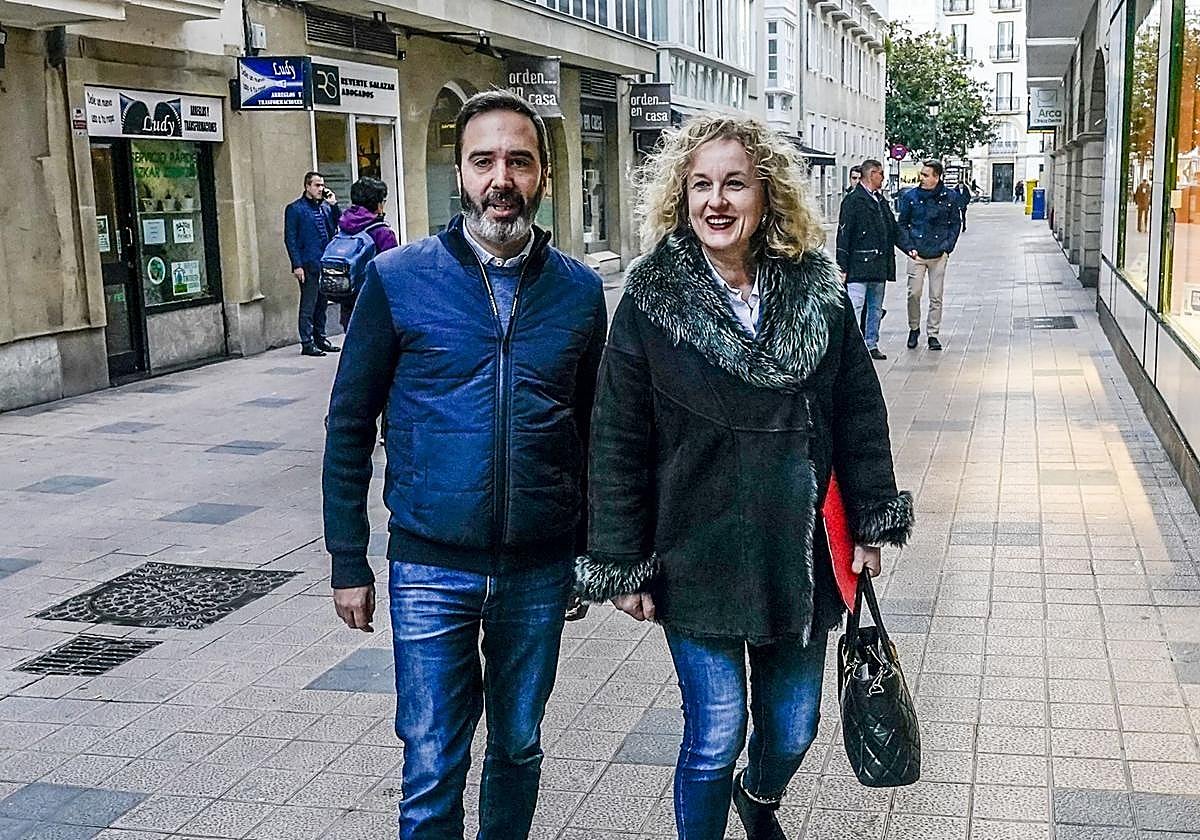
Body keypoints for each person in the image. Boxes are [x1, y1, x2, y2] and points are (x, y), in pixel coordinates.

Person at [576, 115, 914, 840]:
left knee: (792, 729)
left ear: (768, 195)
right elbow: (616, 438)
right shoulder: (650, 299)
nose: (716, 201)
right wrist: (619, 560)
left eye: (735, 183)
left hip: (799, 549)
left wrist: (871, 519)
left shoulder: (816, 290)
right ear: (681, 195)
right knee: (714, 733)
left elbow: (858, 409)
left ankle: (757, 801)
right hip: (694, 549)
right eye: (701, 185)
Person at [322, 90, 607, 840]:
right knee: (431, 761)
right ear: (461, 172)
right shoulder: (398, 278)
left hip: (537, 571)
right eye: (484, 161)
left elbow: (593, 432)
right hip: (429, 566)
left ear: (543, 174)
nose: (500, 179)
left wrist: (588, 552)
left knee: (516, 747)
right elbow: (350, 425)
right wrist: (348, 559)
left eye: (518, 160)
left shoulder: (579, 291)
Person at [835, 158, 901, 360]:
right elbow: (844, 235)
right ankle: (853, 348)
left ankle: (871, 344)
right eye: (880, 173)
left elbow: (892, 229)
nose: (882, 178)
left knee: (874, 308)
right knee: (855, 306)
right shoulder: (854, 200)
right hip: (859, 266)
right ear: (872, 174)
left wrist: (910, 247)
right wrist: (842, 266)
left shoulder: (880, 201)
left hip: (879, 265)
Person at [897, 159, 961, 352]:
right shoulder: (911, 197)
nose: (922, 178)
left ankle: (933, 333)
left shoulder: (949, 197)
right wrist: (908, 247)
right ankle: (914, 327)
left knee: (936, 295)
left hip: (938, 254)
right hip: (917, 253)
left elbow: (955, 223)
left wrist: (947, 246)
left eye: (926, 174)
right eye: (922, 174)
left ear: (936, 177)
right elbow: (902, 224)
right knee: (913, 293)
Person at [284, 171, 341, 357]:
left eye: (322, 185)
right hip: (308, 264)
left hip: (324, 263)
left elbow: (337, 227)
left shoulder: (324, 208)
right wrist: (296, 264)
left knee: (322, 304)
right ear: (307, 186)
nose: (321, 189)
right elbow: (290, 238)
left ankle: (320, 337)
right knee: (309, 304)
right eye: (317, 185)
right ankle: (307, 342)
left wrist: (334, 206)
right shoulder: (295, 209)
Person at [335, 176, 399, 330]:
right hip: (375, 308)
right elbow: (393, 272)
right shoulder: (382, 232)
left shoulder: (344, 225)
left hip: (348, 305)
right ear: (378, 204)